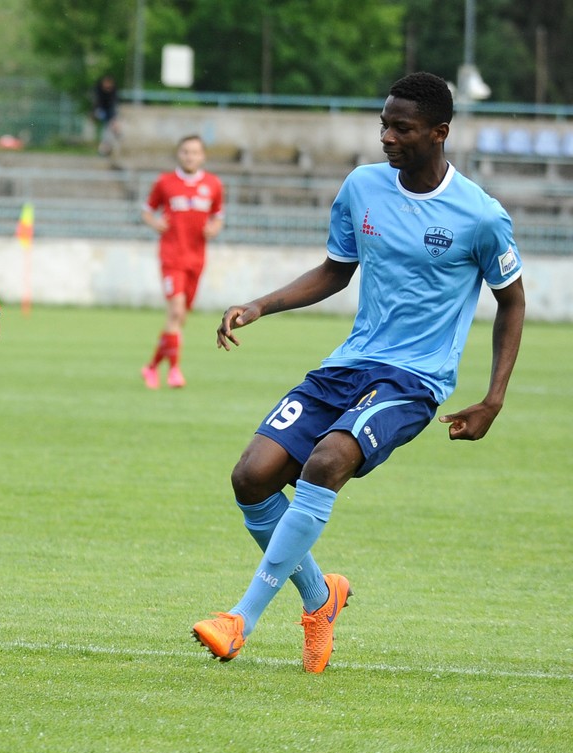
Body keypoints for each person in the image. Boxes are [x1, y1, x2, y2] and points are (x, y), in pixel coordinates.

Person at [192, 72, 525, 673]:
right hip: (349, 364)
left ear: (439, 133)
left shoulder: (481, 216)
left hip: (413, 381)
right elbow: (334, 270)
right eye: (383, 125)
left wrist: (492, 398)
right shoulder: (362, 187)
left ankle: (241, 619)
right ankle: (322, 598)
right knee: (252, 477)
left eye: (402, 128)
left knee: (326, 462)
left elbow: (513, 301)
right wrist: (261, 304)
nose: (387, 138)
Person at [139, 135, 225, 389]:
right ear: (179, 154)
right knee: (176, 312)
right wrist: (156, 223)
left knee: (178, 320)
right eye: (186, 152)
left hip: (196, 259)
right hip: (172, 256)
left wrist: (214, 228)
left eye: (195, 152)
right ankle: (174, 371)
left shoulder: (213, 184)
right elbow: (146, 210)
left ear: (203, 156)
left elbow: (218, 216)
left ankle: (151, 367)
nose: (190, 156)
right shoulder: (165, 182)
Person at [90, 74, 120, 156]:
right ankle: (104, 148)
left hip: (109, 111)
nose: (108, 87)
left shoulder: (113, 92)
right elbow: (96, 104)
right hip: (101, 110)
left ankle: (106, 147)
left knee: (109, 129)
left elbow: (114, 106)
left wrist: (114, 119)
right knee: (106, 129)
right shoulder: (98, 91)